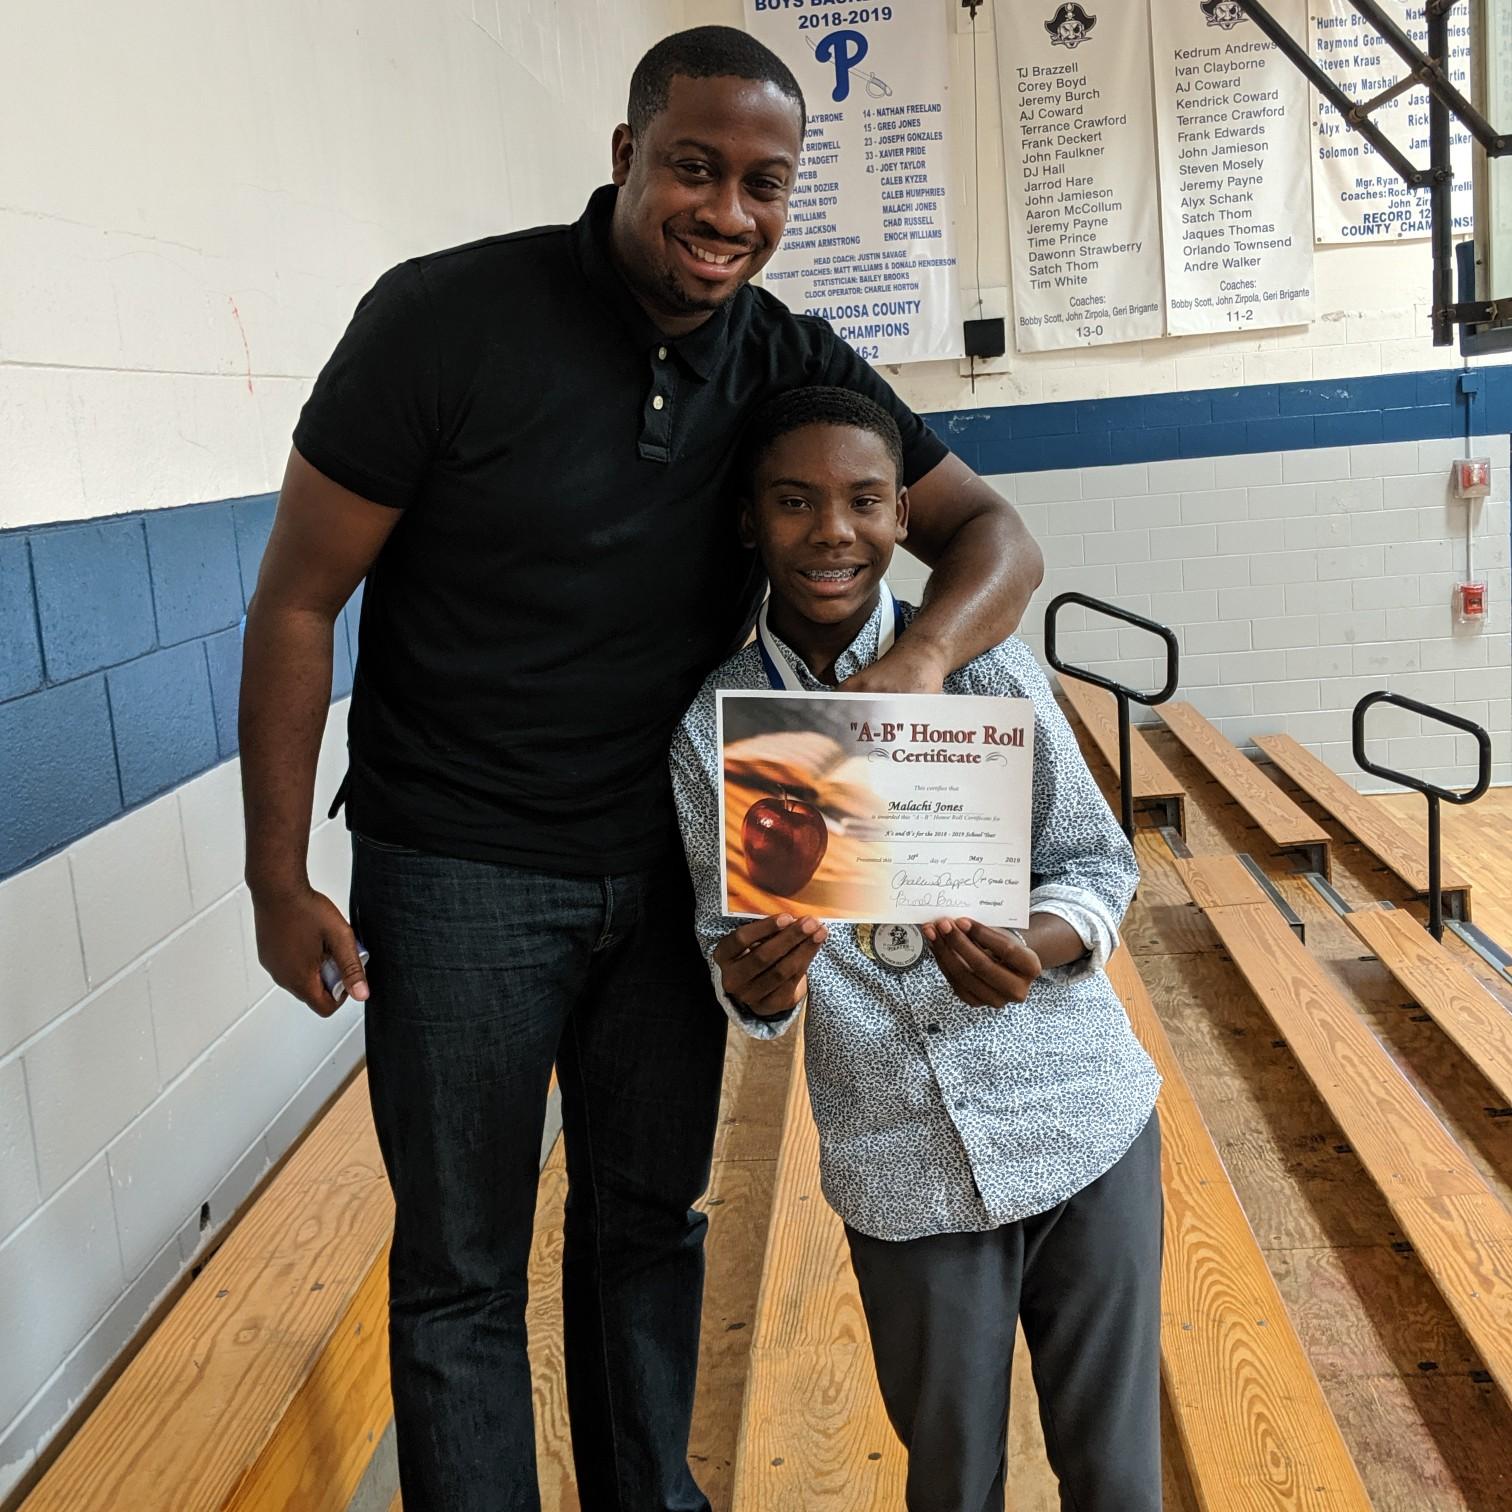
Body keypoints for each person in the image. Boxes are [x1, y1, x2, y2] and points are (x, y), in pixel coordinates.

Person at [240, 26, 1043, 1512]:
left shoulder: (784, 356)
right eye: (694, 168)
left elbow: (995, 534)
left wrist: (922, 662)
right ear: (625, 156)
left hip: (671, 865)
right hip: (457, 863)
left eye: (764, 184)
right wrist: (274, 878)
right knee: (462, 1267)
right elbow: (297, 599)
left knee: (645, 1227)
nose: (728, 213)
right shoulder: (441, 320)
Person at [670, 386, 1163, 1512]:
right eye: (794, 502)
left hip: (1081, 1119)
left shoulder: (987, 670)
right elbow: (732, 956)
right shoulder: (719, 732)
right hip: (903, 1165)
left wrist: (1030, 943)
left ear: (904, 514)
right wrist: (757, 984)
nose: (831, 532)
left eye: (863, 501)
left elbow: (1097, 865)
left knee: (1117, 1479)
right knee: (949, 1483)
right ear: (748, 520)